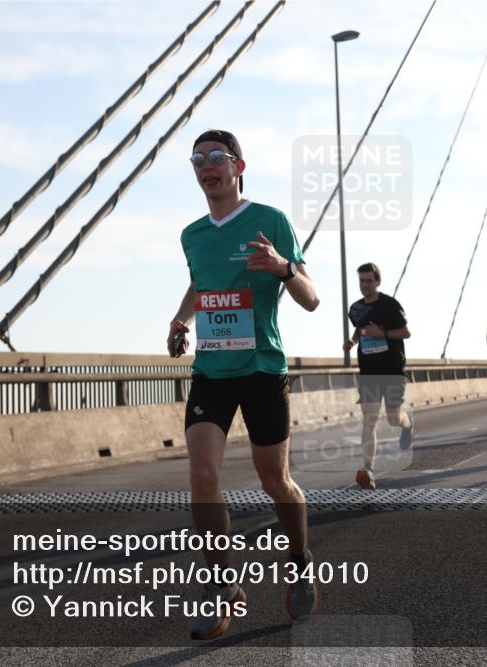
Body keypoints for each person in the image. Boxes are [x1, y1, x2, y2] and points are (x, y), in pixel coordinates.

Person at [168, 129, 320, 639]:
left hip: (261, 369)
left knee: (274, 481)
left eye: (217, 158)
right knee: (203, 477)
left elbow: (312, 298)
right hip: (212, 370)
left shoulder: (270, 220)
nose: (206, 166)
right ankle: (221, 586)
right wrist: (181, 321)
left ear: (239, 166)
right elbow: (200, 283)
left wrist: (281, 269)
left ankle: (299, 560)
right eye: (198, 160)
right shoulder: (192, 235)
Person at [343, 262, 414, 491]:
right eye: (361, 281)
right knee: (369, 420)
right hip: (369, 372)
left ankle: (407, 425)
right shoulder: (355, 309)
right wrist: (352, 342)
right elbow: (360, 328)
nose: (364, 285)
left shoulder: (390, 305)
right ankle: (368, 469)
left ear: (377, 282)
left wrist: (381, 333)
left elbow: (406, 332)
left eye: (368, 281)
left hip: (392, 370)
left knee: (393, 418)